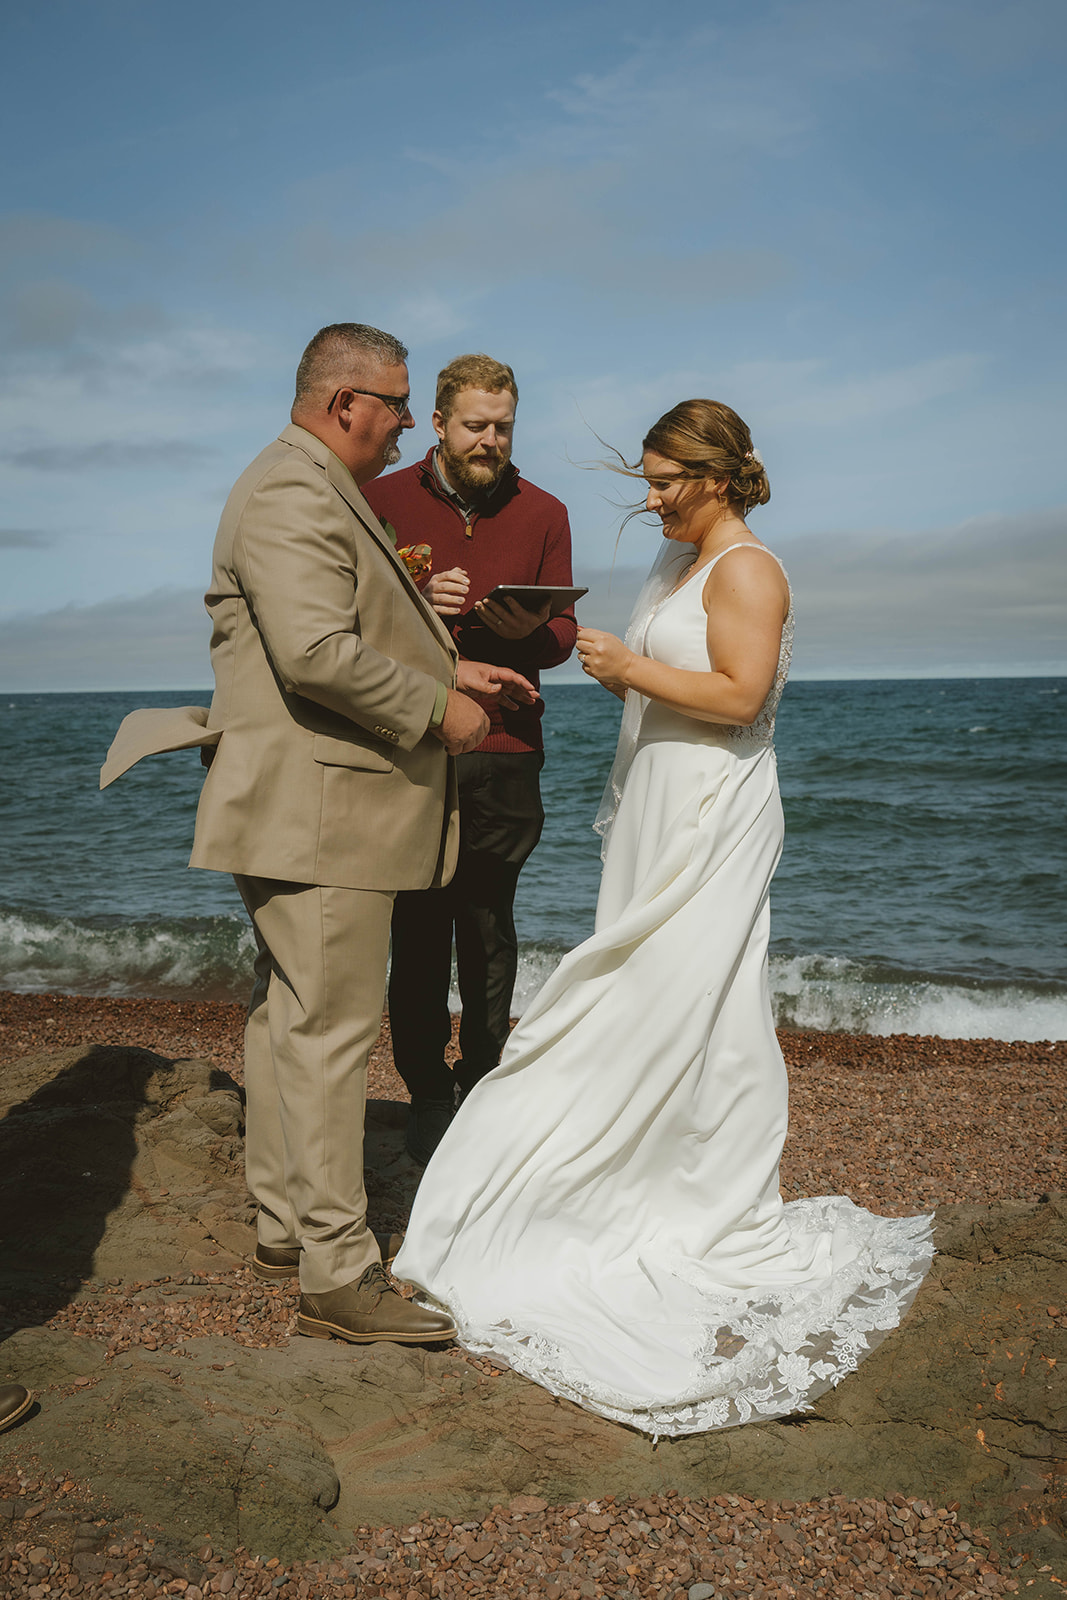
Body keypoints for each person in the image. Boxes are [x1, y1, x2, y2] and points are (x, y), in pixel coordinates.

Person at [393, 399, 933, 1434]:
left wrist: (628, 667)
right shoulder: (676, 567)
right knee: (656, 996)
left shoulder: (746, 569)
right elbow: (673, 685)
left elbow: (737, 695)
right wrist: (602, 664)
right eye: (641, 481)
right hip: (654, 801)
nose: (645, 503)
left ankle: (667, 1195)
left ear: (716, 477)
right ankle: (612, 1179)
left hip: (711, 809)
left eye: (660, 483)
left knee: (680, 1001)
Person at [101, 324, 536, 1346]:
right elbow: (313, 653)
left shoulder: (298, 481)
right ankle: (339, 1273)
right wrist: (442, 712)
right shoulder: (295, 488)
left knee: (288, 1018)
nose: (400, 424)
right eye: (391, 403)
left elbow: (341, 629)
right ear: (346, 402)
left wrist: (448, 666)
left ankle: (285, 1222)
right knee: (333, 1033)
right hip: (322, 811)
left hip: (298, 805)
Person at [363, 354, 576, 1164]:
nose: (491, 439)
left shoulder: (545, 510)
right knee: (414, 929)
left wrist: (532, 632)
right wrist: (416, 605)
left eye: (504, 426)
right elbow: (352, 615)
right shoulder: (379, 499)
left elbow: (560, 636)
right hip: (409, 738)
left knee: (489, 928)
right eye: (476, 425)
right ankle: (424, 1095)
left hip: (507, 744)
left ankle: (483, 1081)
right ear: (441, 425)